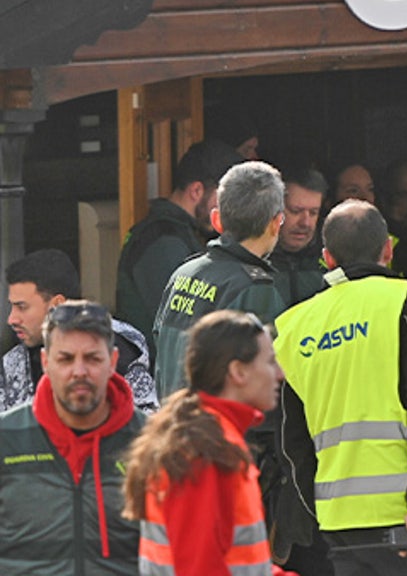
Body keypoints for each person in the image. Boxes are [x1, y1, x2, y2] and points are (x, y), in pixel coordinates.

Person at [275, 201, 407, 576]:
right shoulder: (404, 299)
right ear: (388, 249)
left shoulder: (292, 326)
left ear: (327, 258)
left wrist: (324, 507)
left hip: (341, 521)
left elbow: (293, 441)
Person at [124, 309, 286, 576]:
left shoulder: (207, 439)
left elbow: (239, 561)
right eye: (270, 362)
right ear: (238, 372)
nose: (279, 373)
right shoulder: (205, 452)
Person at [0, 299, 145, 576]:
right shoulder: (7, 438)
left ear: (113, 361)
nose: (79, 372)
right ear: (45, 361)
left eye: (92, 358)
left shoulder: (152, 442)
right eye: (65, 359)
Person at [154, 159, 289, 397]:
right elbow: (264, 380)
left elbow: (160, 347)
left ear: (217, 220)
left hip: (173, 424)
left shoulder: (183, 273)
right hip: (223, 428)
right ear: (276, 223)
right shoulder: (255, 289)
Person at [4, 249, 158, 414]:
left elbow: (147, 427)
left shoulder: (114, 346)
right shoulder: (15, 360)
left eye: (22, 307)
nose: (11, 319)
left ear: (56, 306)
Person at [115, 137, 241, 337]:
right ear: (196, 190)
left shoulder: (181, 233)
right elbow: (179, 324)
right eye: (225, 198)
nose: (230, 209)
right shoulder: (162, 242)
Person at [272, 164, 332, 308]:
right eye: (295, 211)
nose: (305, 223)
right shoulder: (255, 257)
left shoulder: (333, 258)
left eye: (313, 213)